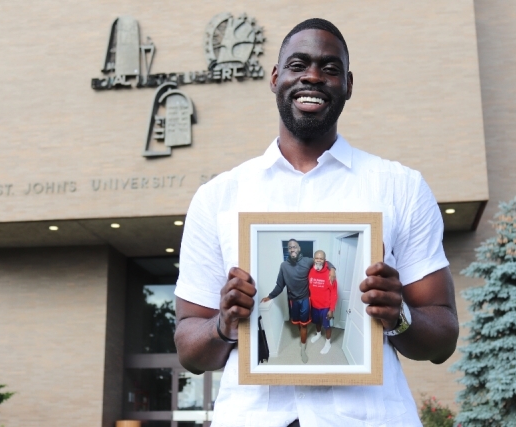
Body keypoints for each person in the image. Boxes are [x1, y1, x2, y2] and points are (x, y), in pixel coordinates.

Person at [174, 17, 458, 427]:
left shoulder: (400, 187)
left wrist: (399, 315)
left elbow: (443, 338)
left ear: (348, 84)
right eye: (298, 65)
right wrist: (223, 324)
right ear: (275, 77)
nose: (313, 76)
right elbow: (189, 349)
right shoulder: (219, 197)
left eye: (330, 68)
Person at [260, 239, 335, 363]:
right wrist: (270, 296)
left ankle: (303, 348)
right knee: (298, 324)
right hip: (293, 301)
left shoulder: (307, 261)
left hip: (305, 300)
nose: (292, 249)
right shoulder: (283, 266)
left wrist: (332, 269)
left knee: (304, 324)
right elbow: (280, 285)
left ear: (299, 248)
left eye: (294, 247)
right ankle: (303, 339)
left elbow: (322, 261)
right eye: (290, 247)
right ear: (288, 250)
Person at [307, 250, 337, 354]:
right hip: (314, 305)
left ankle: (328, 343)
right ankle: (318, 334)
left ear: (325, 260)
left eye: (321, 258)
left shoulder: (330, 274)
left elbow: (334, 293)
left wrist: (331, 309)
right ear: (313, 259)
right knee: (317, 322)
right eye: (317, 258)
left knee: (327, 325)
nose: (318, 260)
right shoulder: (310, 271)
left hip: (325, 307)